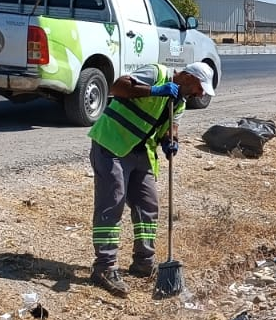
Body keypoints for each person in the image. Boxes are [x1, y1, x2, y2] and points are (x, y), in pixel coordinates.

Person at [87, 61, 214, 296]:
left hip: (141, 151)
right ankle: (104, 267)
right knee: (112, 202)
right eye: (199, 86)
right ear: (186, 76)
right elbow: (118, 87)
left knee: (148, 205)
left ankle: (144, 262)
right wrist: (154, 90)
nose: (200, 93)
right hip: (112, 144)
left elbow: (171, 126)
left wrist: (170, 141)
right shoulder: (157, 73)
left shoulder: (179, 103)